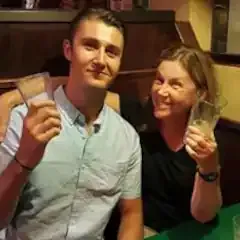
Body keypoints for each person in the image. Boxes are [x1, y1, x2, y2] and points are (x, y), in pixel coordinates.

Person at [0, 44, 223, 233]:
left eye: (175, 84)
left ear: (200, 94)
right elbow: (77, 85)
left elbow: (203, 215)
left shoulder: (203, 140)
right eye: (159, 80)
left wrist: (208, 166)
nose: (161, 91)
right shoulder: (139, 115)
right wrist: (9, 99)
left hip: (187, 232)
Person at [0, 8, 143, 240]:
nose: (100, 59)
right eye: (90, 46)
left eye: (112, 52)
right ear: (69, 50)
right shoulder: (24, 119)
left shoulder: (127, 138)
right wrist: (23, 160)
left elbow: (131, 214)